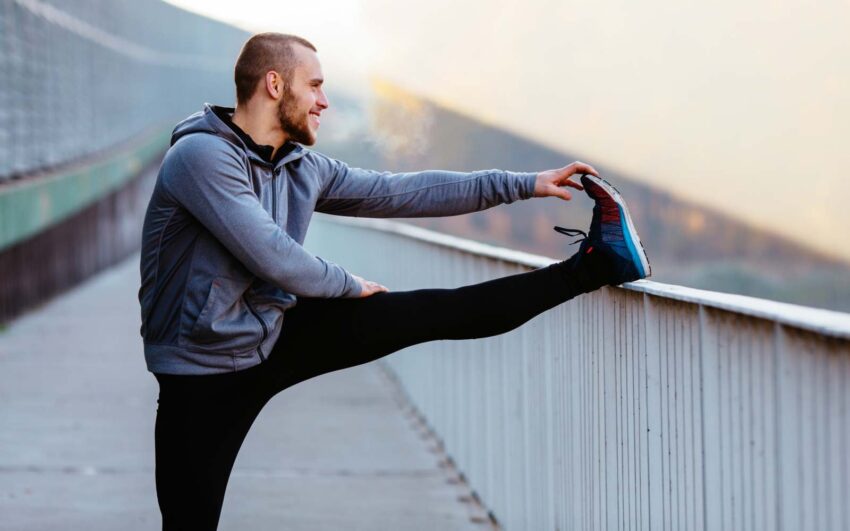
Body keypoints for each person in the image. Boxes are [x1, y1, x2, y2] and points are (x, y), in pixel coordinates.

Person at [138, 32, 650, 530]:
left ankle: (598, 263)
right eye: (314, 86)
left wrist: (521, 185)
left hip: (270, 336)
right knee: (189, 522)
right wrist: (348, 284)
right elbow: (274, 256)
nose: (324, 101)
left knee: (430, 312)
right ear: (274, 85)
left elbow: (400, 193)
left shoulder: (300, 167)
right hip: (199, 374)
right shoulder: (200, 157)